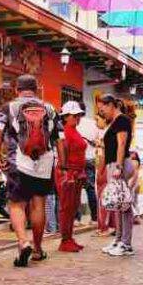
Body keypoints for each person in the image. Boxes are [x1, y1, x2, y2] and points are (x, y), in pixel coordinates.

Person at [0, 74, 62, 267]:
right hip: (44, 164)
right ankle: (38, 250)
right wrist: (61, 164)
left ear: (17, 90)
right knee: (38, 205)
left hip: (18, 163)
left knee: (17, 204)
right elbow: (59, 138)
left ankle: (23, 242)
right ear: (37, 89)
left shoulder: (9, 108)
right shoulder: (49, 108)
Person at [96, 94, 136, 256]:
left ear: (111, 105)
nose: (101, 112)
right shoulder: (113, 123)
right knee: (117, 204)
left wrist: (118, 166)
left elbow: (122, 144)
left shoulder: (122, 120)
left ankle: (126, 243)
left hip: (120, 164)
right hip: (113, 165)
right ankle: (119, 239)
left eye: (103, 108)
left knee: (124, 204)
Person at [56, 101, 88, 252]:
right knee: (66, 207)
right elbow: (63, 151)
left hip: (77, 173)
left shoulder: (74, 130)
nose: (77, 118)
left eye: (79, 115)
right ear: (66, 117)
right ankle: (65, 240)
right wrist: (67, 173)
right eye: (74, 115)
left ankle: (69, 237)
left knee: (73, 207)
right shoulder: (65, 131)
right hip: (69, 173)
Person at [77, 104, 100, 225]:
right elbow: (98, 141)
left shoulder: (75, 123)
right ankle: (95, 218)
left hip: (77, 159)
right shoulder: (93, 123)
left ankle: (77, 219)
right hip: (90, 159)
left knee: (75, 189)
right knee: (90, 189)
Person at [93, 113, 113, 237]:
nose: (96, 123)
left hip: (104, 167)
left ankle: (104, 227)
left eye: (98, 120)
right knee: (103, 198)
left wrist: (100, 170)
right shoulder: (103, 133)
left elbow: (104, 154)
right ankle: (104, 226)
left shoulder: (106, 134)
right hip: (102, 166)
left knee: (103, 198)